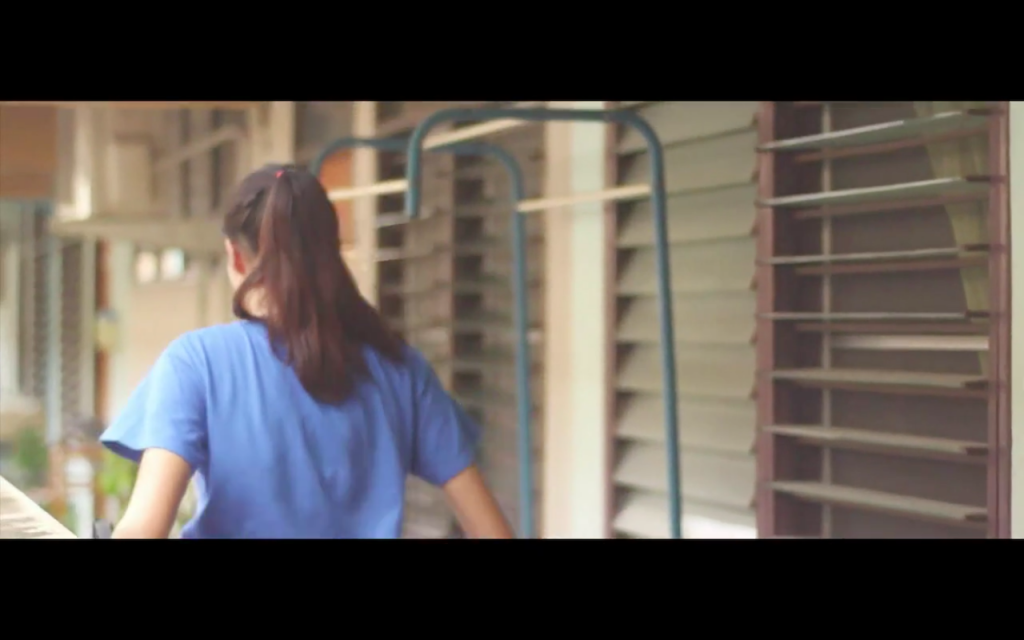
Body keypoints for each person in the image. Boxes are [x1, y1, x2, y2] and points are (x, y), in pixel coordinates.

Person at [100, 163, 514, 539]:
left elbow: (145, 528)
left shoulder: (197, 363)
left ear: (235, 256)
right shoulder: (400, 368)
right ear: (331, 251)